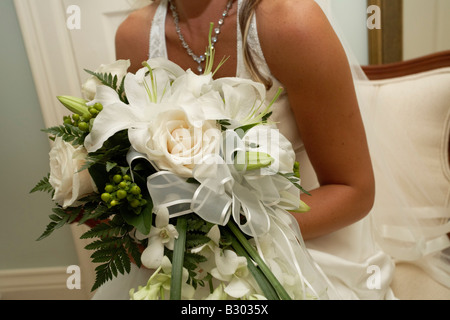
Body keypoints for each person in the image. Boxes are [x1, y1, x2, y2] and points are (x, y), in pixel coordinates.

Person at [93, 0, 396, 299]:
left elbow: (354, 190)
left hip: (300, 241)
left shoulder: (290, 21)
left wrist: (220, 235)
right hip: (182, 253)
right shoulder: (133, 36)